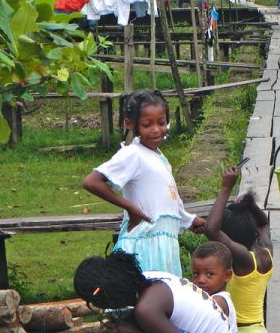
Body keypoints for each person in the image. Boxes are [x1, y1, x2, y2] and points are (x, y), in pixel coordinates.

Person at [83, 90, 205, 276]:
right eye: (147, 125)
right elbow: (92, 181)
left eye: (161, 123)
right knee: (144, 301)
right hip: (144, 246)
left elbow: (167, 201)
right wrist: (131, 208)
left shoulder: (159, 157)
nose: (156, 130)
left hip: (163, 248)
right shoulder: (133, 154)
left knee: (162, 302)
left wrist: (188, 220)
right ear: (130, 124)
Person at [74, 251, 231, 333]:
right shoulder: (151, 278)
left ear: (107, 296)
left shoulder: (147, 309)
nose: (96, 305)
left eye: (94, 301)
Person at [205, 166, 273, 333]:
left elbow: (211, 230)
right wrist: (250, 205)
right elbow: (263, 223)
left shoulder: (244, 259)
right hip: (258, 327)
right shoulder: (266, 250)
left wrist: (226, 188)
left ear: (230, 239)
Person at [191, 242, 238, 331]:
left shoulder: (218, 301)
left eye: (209, 274)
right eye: (196, 274)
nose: (201, 280)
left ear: (227, 276)